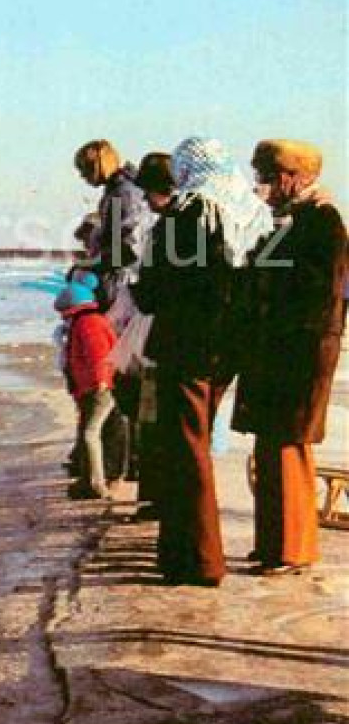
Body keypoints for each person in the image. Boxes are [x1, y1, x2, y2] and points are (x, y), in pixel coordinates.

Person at [131, 137, 272, 587]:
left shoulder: (187, 214)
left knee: (185, 449)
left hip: (184, 345)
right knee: (195, 443)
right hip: (227, 347)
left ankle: (199, 559)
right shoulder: (252, 213)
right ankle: (180, 555)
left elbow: (152, 290)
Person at [233, 139, 348, 576]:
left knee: (288, 444)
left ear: (291, 177)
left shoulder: (322, 221)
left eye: (267, 175)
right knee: (272, 442)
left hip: (299, 349)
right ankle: (273, 544)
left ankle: (292, 549)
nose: (261, 184)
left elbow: (318, 292)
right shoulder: (292, 219)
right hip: (280, 347)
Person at [125, 152, 176, 521]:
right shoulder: (180, 222)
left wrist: (137, 289)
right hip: (167, 336)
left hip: (166, 338)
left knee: (157, 422)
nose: (144, 200)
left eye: (148, 192)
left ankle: (158, 499)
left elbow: (154, 289)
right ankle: (157, 497)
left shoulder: (171, 227)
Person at [57, 279, 117, 499]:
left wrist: (101, 382)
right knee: (87, 433)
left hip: (96, 387)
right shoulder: (90, 320)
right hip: (91, 386)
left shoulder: (87, 324)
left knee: (91, 434)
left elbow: (99, 356)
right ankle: (88, 480)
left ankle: (96, 484)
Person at [73, 139, 147, 304]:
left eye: (84, 168)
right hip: (119, 280)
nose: (82, 175)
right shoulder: (117, 191)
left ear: (98, 165)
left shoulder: (123, 193)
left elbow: (129, 247)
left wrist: (91, 265)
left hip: (124, 284)